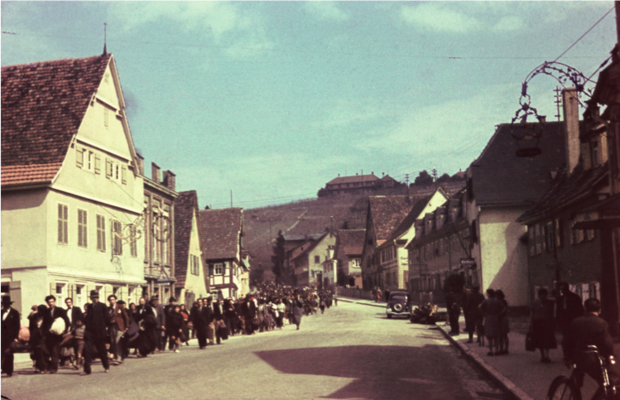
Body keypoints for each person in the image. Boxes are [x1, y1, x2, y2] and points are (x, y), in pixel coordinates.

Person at [563, 298, 619, 386]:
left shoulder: (575, 322)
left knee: (580, 371)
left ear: (585, 308)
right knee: (611, 379)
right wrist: (611, 355)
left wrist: (568, 357)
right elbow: (607, 344)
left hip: (578, 358)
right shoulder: (601, 323)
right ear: (599, 310)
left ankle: (577, 386)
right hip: (594, 360)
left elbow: (567, 342)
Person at [82, 290, 110, 375]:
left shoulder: (103, 306)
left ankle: (106, 366)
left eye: (96, 297)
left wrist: (103, 329)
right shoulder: (89, 307)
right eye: (93, 298)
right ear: (91, 298)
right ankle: (87, 369)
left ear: (98, 298)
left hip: (99, 333)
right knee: (87, 350)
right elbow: (87, 319)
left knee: (102, 350)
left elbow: (107, 319)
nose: (95, 299)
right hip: (90, 332)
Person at [42, 295, 70, 373]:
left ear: (54, 301)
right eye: (49, 302)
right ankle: (50, 366)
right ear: (47, 303)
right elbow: (45, 323)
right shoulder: (46, 312)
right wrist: (44, 333)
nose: (51, 303)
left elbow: (67, 321)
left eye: (52, 301)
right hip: (49, 335)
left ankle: (53, 368)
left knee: (55, 351)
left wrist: (65, 331)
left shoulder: (60, 310)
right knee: (47, 351)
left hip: (58, 335)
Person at [556, 282, 584, 357]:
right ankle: (567, 354)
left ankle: (574, 353)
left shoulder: (575, 297)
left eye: (564, 289)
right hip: (564, 321)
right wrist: (558, 321)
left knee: (574, 337)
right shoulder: (560, 299)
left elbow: (579, 309)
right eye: (561, 289)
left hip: (573, 320)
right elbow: (558, 311)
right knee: (565, 338)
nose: (562, 291)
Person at [530, 288, 557, 363]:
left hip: (547, 322)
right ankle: (543, 355)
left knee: (547, 339)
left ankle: (547, 355)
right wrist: (531, 323)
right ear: (538, 295)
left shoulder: (550, 302)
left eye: (544, 295)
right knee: (540, 340)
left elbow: (556, 300)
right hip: (537, 322)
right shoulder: (535, 302)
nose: (542, 297)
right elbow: (532, 312)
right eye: (541, 295)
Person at [479, 289, 504, 356]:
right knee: (496, 335)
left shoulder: (486, 301)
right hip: (495, 317)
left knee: (489, 335)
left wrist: (483, 313)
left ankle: (490, 351)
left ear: (489, 294)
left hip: (488, 317)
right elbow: (504, 308)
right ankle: (496, 350)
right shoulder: (497, 301)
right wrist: (499, 313)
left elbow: (479, 307)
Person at [1, 295, 21, 377]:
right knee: (1, 352)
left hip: (10, 336)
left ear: (9, 304)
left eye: (6, 304)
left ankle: (9, 370)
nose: (5, 306)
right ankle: (3, 368)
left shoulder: (15, 313)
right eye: (3, 304)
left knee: (9, 353)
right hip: (1, 336)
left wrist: (16, 337)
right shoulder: (1, 312)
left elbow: (17, 326)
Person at [495, 290, 509, 355]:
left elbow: (505, 309)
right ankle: (501, 349)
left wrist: (499, 314)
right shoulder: (498, 301)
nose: (496, 296)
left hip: (503, 318)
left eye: (497, 295)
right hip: (500, 318)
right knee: (500, 335)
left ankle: (505, 349)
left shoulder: (503, 301)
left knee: (504, 335)